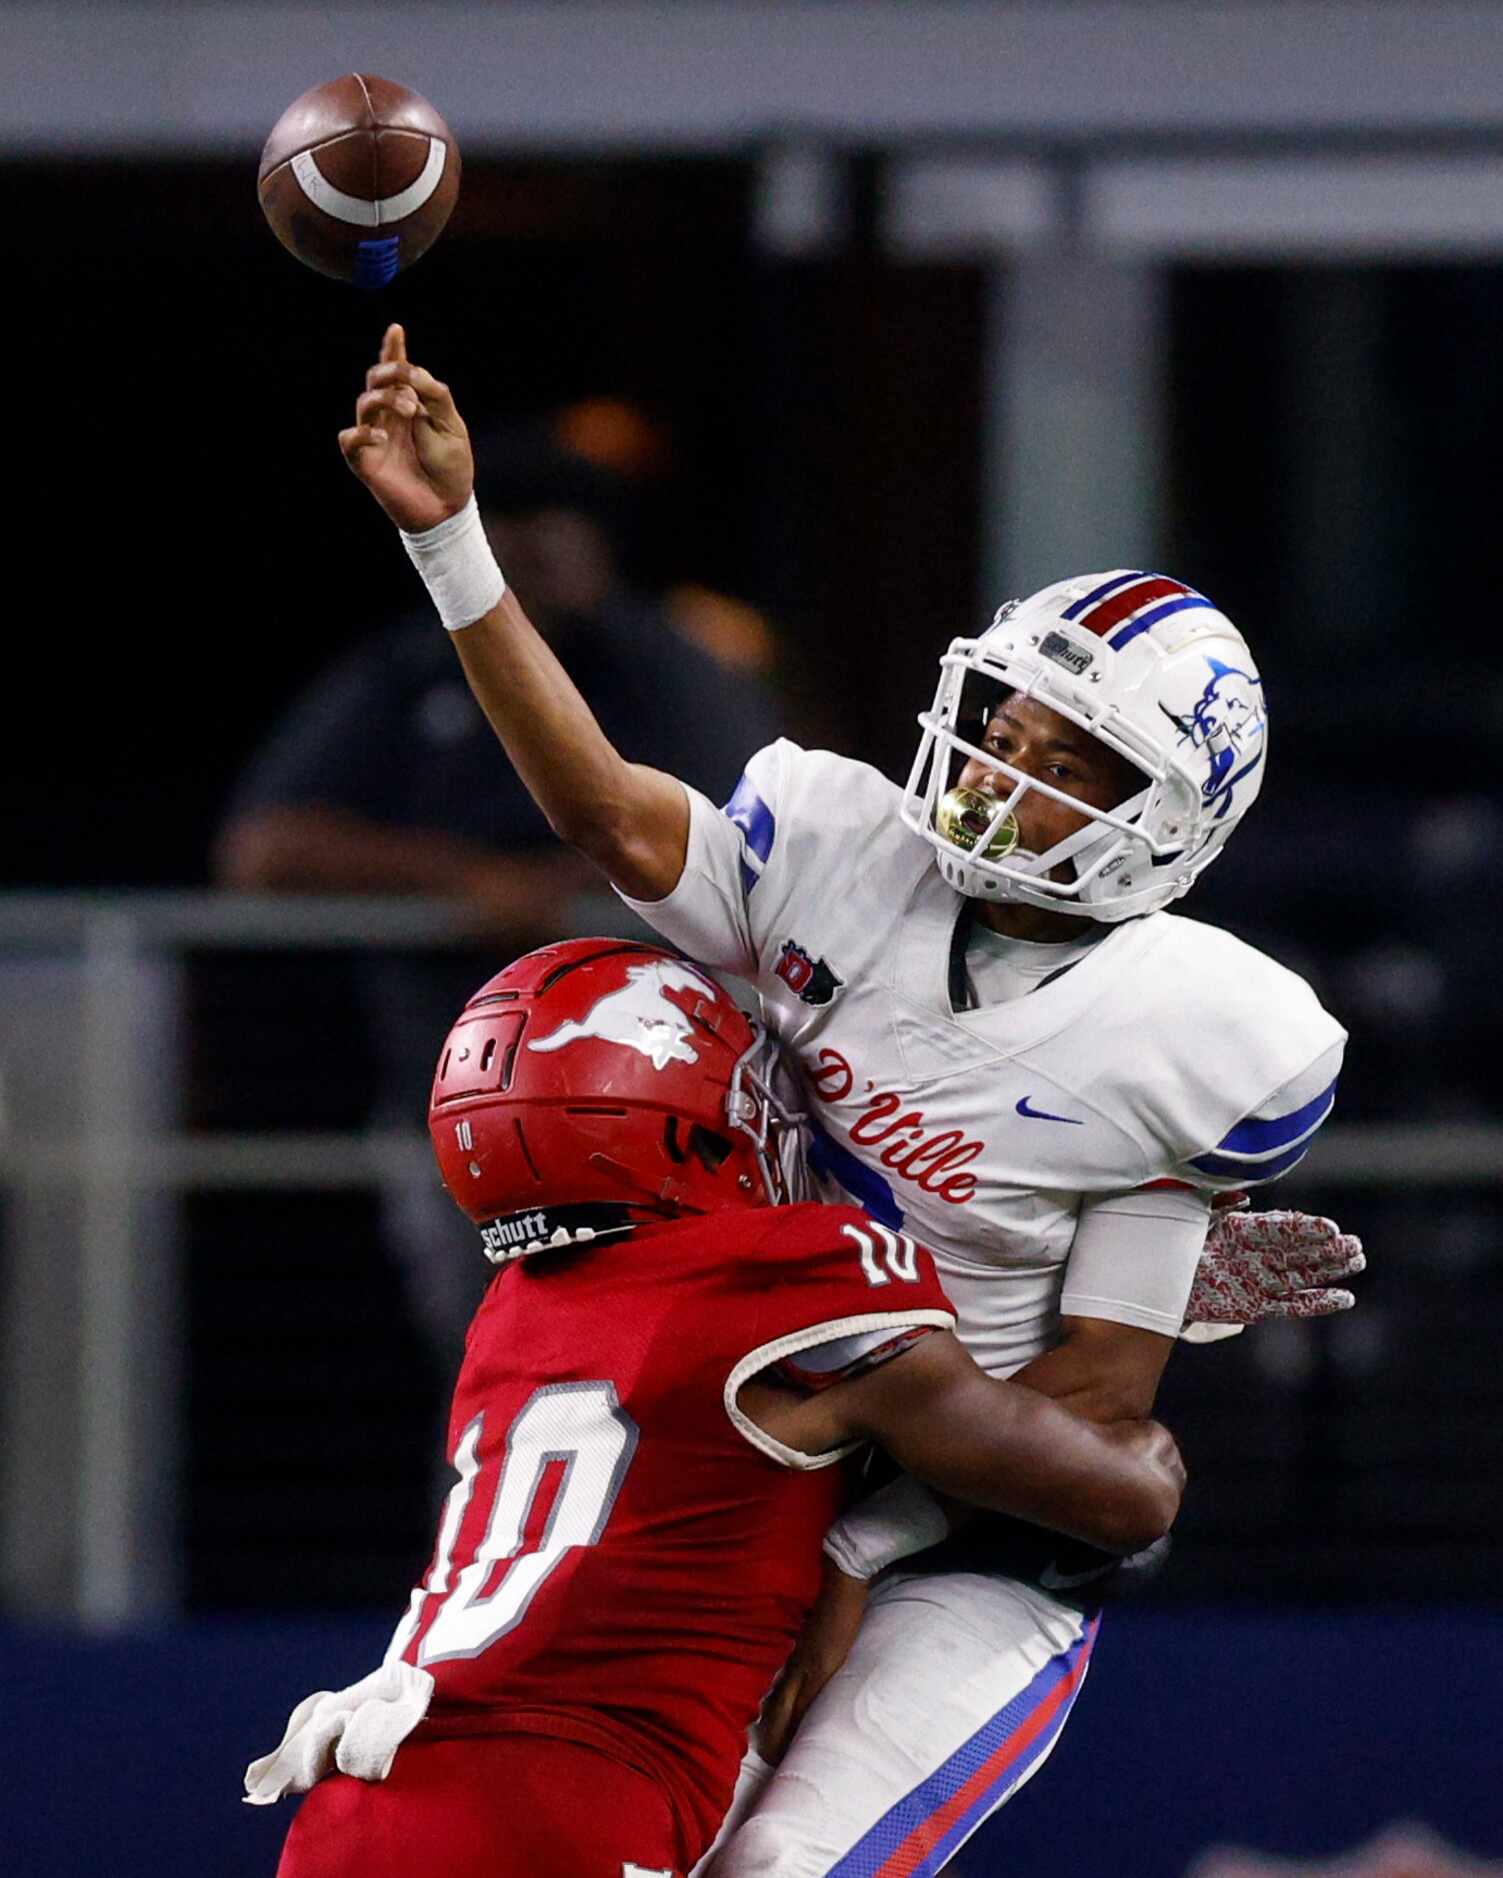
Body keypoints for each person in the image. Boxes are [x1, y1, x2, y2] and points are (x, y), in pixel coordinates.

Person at [332, 324, 1363, 1875]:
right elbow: (601, 807)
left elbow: (1093, 1430)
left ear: (1162, 823)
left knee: (781, 1865)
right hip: (754, 1463)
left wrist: (868, 1545)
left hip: (963, 1526)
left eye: (1062, 762)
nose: (994, 775)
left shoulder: (1207, 1034)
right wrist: (451, 539)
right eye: (1000, 728)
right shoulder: (839, 840)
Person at [245, 938, 1186, 1878]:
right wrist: (1142, 1336)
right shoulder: (788, 1272)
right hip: (563, 1802)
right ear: (698, 1120)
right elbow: (1117, 1501)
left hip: (364, 1786)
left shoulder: (514, 1315)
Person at [216, 430, 784, 1372]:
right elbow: (261, 847)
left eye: (548, 546)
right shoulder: (411, 669)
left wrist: (569, 881)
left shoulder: (665, 664)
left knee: (680, 1361)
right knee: (495, 1362)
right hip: (462, 1105)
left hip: (679, 1112)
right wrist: (462, 879)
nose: (526, 571)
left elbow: (758, 835)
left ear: (597, 551)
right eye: (501, 545)